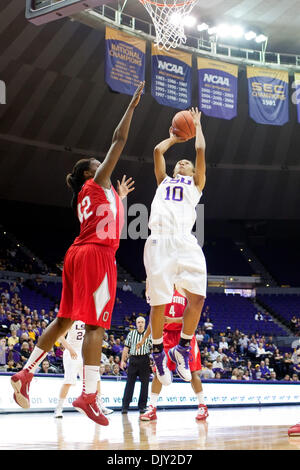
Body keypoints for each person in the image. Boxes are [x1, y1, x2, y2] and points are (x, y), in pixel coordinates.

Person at [10, 82, 144, 426]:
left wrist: (122, 197)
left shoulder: (93, 194)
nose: (105, 166)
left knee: (65, 319)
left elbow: (110, 219)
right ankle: (89, 393)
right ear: (90, 172)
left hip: (77, 252)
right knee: (97, 324)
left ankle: (26, 373)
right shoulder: (96, 180)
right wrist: (131, 107)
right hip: (97, 256)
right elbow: (118, 141)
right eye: (99, 165)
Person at [143, 107, 207, 386]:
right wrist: (173, 138)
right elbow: (158, 152)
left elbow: (201, 151)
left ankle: (182, 346)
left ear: (193, 172)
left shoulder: (196, 184)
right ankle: (157, 353)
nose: (181, 162)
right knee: (159, 302)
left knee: (198, 298)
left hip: (185, 240)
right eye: (179, 162)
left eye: (185, 162)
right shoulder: (164, 180)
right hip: (159, 238)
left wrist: (197, 125)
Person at [139, 288, 208, 422]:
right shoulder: (162, 290)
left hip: (184, 335)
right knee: (157, 373)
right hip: (166, 336)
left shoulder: (186, 290)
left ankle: (202, 406)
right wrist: (144, 338)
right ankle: (152, 408)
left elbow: (192, 317)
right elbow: (154, 320)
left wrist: (171, 320)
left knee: (193, 373)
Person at [54, 321, 113, 419]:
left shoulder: (89, 320)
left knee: (96, 379)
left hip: (85, 353)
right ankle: (58, 408)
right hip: (71, 353)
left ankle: (100, 406)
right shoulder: (71, 319)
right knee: (68, 381)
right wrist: (69, 349)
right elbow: (60, 336)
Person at [120, 316, 152, 414]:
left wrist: (153, 362)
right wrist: (122, 360)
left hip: (144, 360)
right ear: (136, 324)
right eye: (138, 322)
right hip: (133, 359)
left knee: (145, 385)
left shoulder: (149, 335)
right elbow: (126, 348)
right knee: (129, 383)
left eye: (142, 322)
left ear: (145, 323)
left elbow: (152, 349)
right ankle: (125, 406)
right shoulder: (131, 334)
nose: (140, 324)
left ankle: (142, 406)